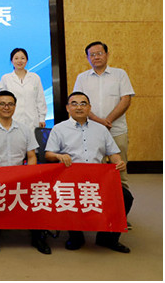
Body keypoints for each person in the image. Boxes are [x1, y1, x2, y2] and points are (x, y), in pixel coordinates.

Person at [45, 91, 133, 253]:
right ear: (67, 108)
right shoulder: (59, 129)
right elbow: (48, 154)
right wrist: (59, 156)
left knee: (125, 197)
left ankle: (107, 238)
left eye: (83, 103)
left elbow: (113, 153)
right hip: (70, 179)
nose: (79, 107)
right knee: (67, 196)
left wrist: (118, 161)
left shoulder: (101, 130)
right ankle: (76, 236)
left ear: (89, 108)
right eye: (74, 104)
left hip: (98, 179)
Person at [0, 90, 50, 255]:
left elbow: (32, 156)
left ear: (15, 107)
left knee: (38, 196)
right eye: (2, 104)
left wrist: (28, 173)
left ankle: (38, 237)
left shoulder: (25, 130)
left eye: (10, 104)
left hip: (20, 178)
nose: (6, 107)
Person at [73, 41, 134, 189]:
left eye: (99, 53)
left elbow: (126, 99)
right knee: (96, 169)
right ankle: (100, 200)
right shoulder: (82, 77)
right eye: (92, 55)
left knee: (119, 167)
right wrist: (98, 120)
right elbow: (78, 102)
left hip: (116, 129)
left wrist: (108, 120)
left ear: (107, 54)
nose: (96, 57)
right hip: (92, 130)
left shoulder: (120, 74)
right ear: (87, 58)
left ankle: (122, 199)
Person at [0, 48, 47, 130]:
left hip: (32, 120)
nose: (19, 61)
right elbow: (2, 102)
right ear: (12, 61)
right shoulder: (6, 78)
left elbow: (40, 99)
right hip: (13, 119)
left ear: (26, 60)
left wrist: (42, 118)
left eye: (22, 58)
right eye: (16, 58)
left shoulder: (35, 77)